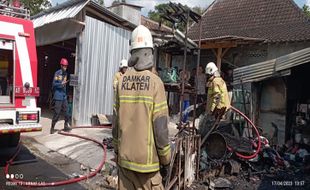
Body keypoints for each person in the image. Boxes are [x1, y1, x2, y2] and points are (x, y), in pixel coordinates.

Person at [112, 25, 171, 190]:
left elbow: (116, 121)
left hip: (124, 163)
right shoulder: (155, 83)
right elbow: (160, 128)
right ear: (149, 52)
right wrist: (166, 157)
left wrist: (117, 149)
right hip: (148, 167)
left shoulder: (121, 82)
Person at [50, 58, 72, 134]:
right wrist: (60, 84)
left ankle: (66, 126)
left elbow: (65, 84)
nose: (65, 67)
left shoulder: (66, 74)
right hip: (58, 96)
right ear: (61, 65)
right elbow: (54, 84)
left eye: (66, 66)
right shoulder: (57, 73)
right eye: (64, 66)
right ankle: (52, 127)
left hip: (64, 95)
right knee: (57, 113)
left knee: (67, 112)